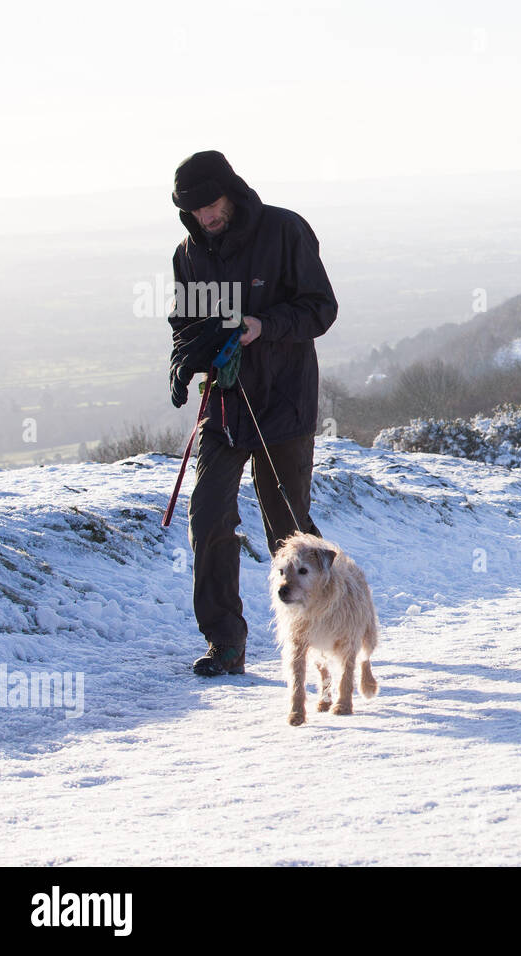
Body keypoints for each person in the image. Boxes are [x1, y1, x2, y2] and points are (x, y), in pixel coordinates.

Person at [167, 151, 338, 676]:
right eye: (193, 211)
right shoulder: (189, 255)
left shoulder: (285, 231)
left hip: (283, 401)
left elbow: (321, 308)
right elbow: (184, 323)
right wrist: (183, 362)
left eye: (211, 204)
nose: (205, 217)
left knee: (287, 530)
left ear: (232, 192)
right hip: (225, 403)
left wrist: (263, 325)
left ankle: (328, 623)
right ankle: (226, 643)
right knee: (209, 515)